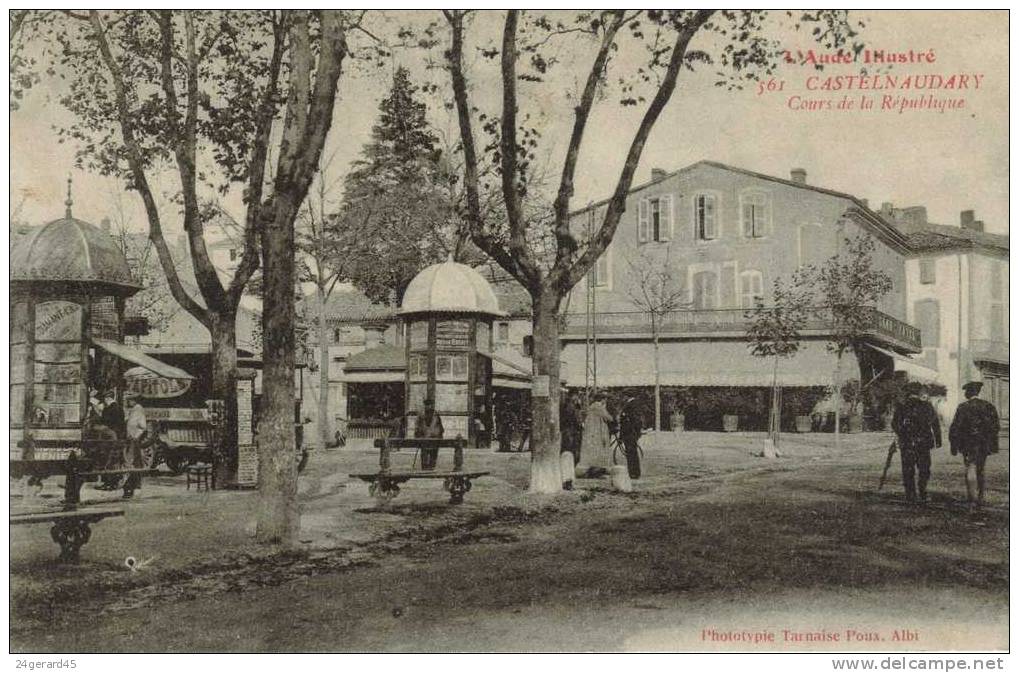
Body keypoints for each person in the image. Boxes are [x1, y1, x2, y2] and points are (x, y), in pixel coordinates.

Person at [949, 381, 1000, 511]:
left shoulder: (963, 407)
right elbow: (996, 427)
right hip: (983, 443)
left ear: (968, 393)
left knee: (970, 468)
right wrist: (991, 443)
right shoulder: (989, 406)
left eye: (966, 391)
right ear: (978, 392)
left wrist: (954, 445)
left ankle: (972, 499)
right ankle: (981, 496)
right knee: (981, 469)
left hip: (968, 444)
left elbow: (955, 428)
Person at [891, 381, 942, 505]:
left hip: (907, 443)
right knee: (924, 468)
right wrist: (938, 440)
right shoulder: (927, 406)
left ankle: (910, 494)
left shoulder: (902, 407)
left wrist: (901, 433)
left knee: (908, 469)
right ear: (919, 392)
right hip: (923, 443)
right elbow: (935, 423)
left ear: (908, 393)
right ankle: (923, 491)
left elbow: (894, 424)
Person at [578, 392, 613, 478]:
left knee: (593, 452)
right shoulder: (598, 406)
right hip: (597, 433)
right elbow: (608, 418)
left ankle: (594, 470)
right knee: (598, 451)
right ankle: (597, 472)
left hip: (592, 432)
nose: (606, 401)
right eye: (605, 399)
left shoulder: (593, 406)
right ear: (602, 399)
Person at [122, 392, 149, 498]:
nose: (128, 402)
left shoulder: (138, 409)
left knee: (134, 462)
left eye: (130, 400)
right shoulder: (134, 410)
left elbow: (143, 426)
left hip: (134, 440)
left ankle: (135, 486)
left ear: (134, 400)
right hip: (131, 439)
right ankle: (132, 486)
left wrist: (136, 436)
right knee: (132, 462)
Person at [617, 395, 644, 479]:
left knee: (631, 453)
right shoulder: (633, 404)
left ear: (627, 396)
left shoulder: (631, 405)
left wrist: (634, 432)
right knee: (632, 453)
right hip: (630, 432)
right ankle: (634, 472)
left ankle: (633, 473)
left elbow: (632, 421)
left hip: (629, 432)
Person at [414, 397, 444, 470]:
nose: (428, 406)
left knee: (433, 453)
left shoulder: (436, 415)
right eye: (426, 405)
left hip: (434, 438)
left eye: (430, 405)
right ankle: (424, 468)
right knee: (424, 453)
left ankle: (432, 467)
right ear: (425, 406)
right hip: (424, 438)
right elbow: (417, 426)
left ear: (432, 405)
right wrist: (418, 435)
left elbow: (441, 428)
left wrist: (439, 436)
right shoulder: (421, 415)